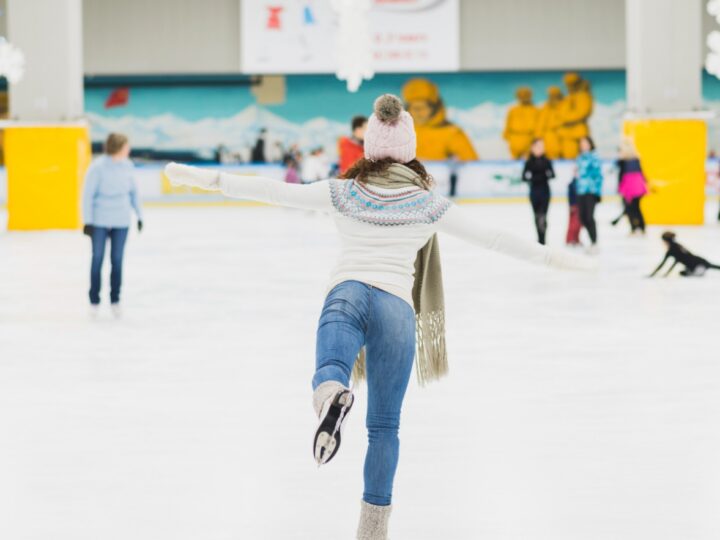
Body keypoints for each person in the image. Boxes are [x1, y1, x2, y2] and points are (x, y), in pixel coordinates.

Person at [164, 94, 593, 540]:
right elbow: (495, 238)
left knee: (331, 368)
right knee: (384, 428)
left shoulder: (343, 191)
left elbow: (272, 191)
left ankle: (331, 394)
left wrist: (202, 177)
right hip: (397, 312)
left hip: (347, 293)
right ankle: (372, 532)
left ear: (368, 146)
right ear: (410, 149)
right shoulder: (428, 204)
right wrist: (556, 260)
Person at [82, 133, 143, 318]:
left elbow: (134, 194)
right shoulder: (97, 168)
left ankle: (115, 299)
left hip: (121, 220)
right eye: (126, 146)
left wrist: (139, 216)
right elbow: (87, 196)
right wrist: (88, 221)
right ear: (118, 147)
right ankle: (94, 300)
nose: (129, 149)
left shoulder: (128, 166)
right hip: (100, 220)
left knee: (117, 261)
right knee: (98, 259)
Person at [401, 78, 478, 161]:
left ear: (434, 108)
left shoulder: (451, 132)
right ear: (407, 109)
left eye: (423, 107)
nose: (418, 112)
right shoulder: (399, 131)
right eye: (414, 107)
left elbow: (473, 165)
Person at [522, 139, 555, 244]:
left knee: (543, 216)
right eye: (537, 146)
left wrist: (546, 175)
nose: (540, 149)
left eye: (542, 146)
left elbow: (553, 175)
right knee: (537, 216)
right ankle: (539, 239)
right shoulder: (529, 162)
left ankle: (543, 239)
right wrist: (532, 179)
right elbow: (523, 176)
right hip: (534, 192)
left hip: (545, 192)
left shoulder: (547, 161)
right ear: (532, 148)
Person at [575, 136, 603, 253]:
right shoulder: (580, 158)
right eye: (582, 143)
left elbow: (598, 175)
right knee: (582, 217)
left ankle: (594, 242)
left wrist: (597, 192)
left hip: (591, 191)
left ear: (590, 144)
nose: (583, 145)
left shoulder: (594, 157)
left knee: (589, 216)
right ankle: (592, 240)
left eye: (585, 143)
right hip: (581, 190)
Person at [649, 232, 720, 277]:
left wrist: (656, 274)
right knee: (683, 273)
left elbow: (665, 264)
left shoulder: (672, 249)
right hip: (699, 261)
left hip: (698, 265)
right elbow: (675, 262)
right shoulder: (677, 246)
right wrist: (665, 274)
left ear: (666, 241)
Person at [558, 73, 593, 159]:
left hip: (578, 133)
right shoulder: (568, 98)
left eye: (571, 84)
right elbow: (560, 113)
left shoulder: (583, 96)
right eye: (567, 84)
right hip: (567, 135)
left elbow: (581, 113)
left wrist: (565, 118)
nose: (569, 87)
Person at [615, 140, 648, 234]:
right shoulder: (636, 159)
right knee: (636, 207)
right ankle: (641, 227)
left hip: (630, 187)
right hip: (637, 187)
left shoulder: (624, 161)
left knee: (630, 208)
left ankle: (635, 227)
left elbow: (621, 175)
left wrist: (620, 188)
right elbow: (642, 173)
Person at [503, 87, 539, 160]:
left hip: (529, 138)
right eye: (521, 96)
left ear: (529, 96)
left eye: (526, 95)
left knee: (529, 160)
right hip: (515, 138)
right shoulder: (513, 110)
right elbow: (508, 123)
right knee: (514, 160)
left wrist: (536, 137)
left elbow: (539, 125)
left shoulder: (535, 110)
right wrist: (507, 135)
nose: (523, 97)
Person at [534, 86, 564, 159]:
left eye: (555, 95)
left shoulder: (564, 106)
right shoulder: (545, 107)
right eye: (551, 95)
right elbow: (541, 123)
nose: (553, 97)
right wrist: (538, 137)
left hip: (563, 135)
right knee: (551, 154)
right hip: (550, 136)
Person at [566, 177, 582, 246]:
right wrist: (571, 205)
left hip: (581, 206)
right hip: (574, 206)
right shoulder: (572, 184)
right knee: (573, 224)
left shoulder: (582, 183)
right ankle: (570, 239)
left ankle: (576, 238)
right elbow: (570, 196)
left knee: (579, 224)